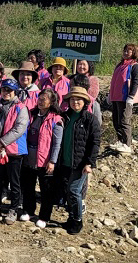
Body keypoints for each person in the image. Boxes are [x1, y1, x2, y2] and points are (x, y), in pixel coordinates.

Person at [55, 86, 100, 235]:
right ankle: (72, 217)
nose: (75, 102)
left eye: (79, 99)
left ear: (85, 101)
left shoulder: (90, 119)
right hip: (65, 161)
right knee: (68, 192)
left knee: (74, 191)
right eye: (73, 99)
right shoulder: (65, 116)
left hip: (80, 163)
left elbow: (95, 142)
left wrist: (90, 163)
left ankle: (78, 221)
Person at [0, 79, 29, 225]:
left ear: (15, 91)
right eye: (4, 89)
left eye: (10, 90)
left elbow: (19, 129)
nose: (6, 93)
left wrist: (1, 142)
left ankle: (14, 209)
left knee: (14, 182)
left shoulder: (21, 108)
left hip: (14, 151)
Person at [21, 89, 63, 228]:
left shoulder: (55, 119)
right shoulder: (31, 114)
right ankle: (28, 210)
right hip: (29, 157)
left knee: (46, 190)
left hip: (45, 160)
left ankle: (44, 216)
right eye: (39, 98)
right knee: (28, 186)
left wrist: (53, 161)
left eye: (44, 99)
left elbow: (57, 144)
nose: (40, 101)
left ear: (51, 102)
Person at [109, 44, 138, 154]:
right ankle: (121, 141)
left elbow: (135, 82)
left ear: (133, 53)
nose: (126, 53)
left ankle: (127, 144)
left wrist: (131, 96)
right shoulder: (120, 65)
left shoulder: (134, 66)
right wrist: (110, 95)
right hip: (116, 97)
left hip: (125, 97)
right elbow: (114, 81)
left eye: (129, 51)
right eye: (125, 50)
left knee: (124, 120)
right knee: (116, 120)